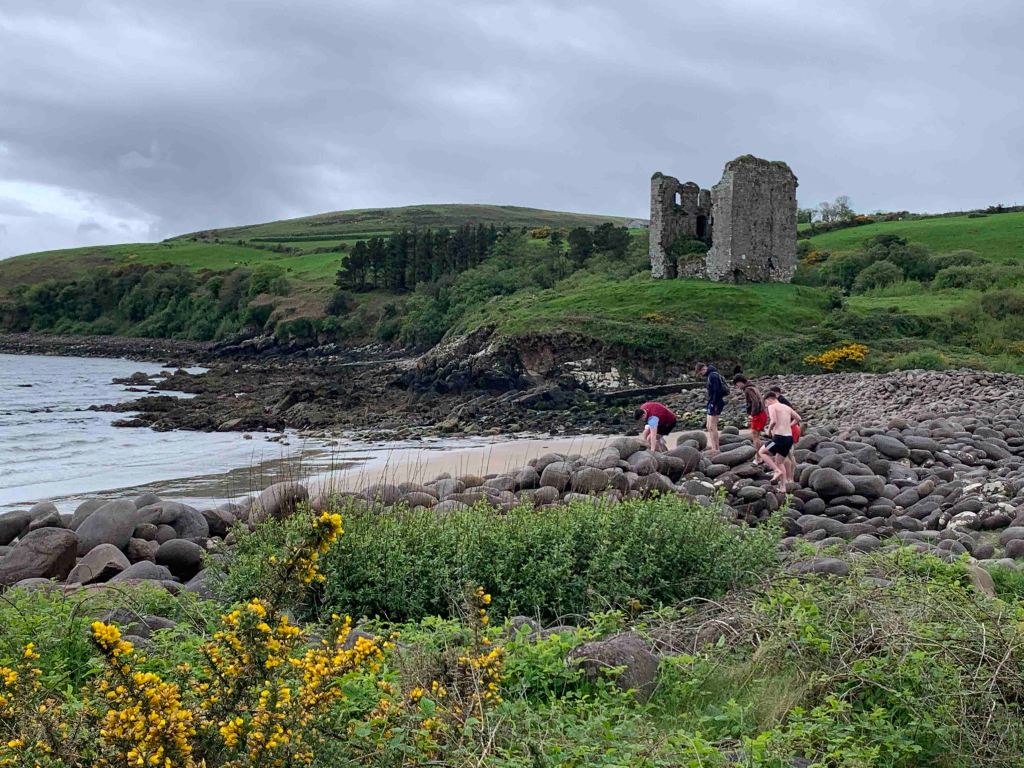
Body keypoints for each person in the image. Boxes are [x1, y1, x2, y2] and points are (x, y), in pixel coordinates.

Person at [759, 391, 801, 491]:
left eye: (766, 403)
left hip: (778, 438)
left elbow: (773, 421)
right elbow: (798, 418)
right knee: (780, 462)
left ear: (770, 399)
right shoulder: (787, 407)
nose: (766, 406)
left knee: (762, 452)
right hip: (789, 439)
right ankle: (783, 487)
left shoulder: (772, 406)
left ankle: (776, 470)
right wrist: (789, 425)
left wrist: (769, 430)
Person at [695, 362, 726, 452]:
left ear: (703, 369)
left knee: (712, 426)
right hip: (712, 402)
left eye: (700, 372)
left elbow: (717, 391)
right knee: (709, 426)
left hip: (716, 403)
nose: (701, 374)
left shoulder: (713, 376)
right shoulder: (710, 375)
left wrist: (713, 404)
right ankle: (714, 447)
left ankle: (716, 448)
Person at [733, 375, 766, 457]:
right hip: (762, 413)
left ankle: (758, 455)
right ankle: (761, 454)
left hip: (758, 414)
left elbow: (755, 402)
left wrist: (752, 414)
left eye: (737, 384)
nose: (737, 387)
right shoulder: (753, 387)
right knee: (757, 435)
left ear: (740, 382)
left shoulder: (748, 389)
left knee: (755, 436)